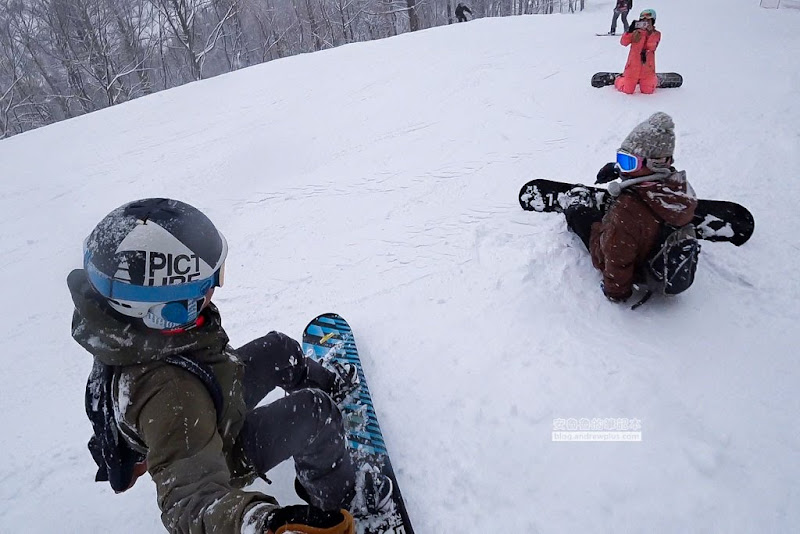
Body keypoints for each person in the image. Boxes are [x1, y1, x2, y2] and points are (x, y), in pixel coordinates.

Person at [68, 198, 389, 534]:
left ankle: (330, 383)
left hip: (217, 398)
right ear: (170, 308)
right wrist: (260, 522)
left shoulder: (129, 329)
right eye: (207, 284)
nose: (216, 287)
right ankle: (343, 499)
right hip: (218, 447)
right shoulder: (172, 394)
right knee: (315, 412)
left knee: (279, 349)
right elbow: (190, 501)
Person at [561, 112, 698, 302]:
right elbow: (644, 171)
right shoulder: (681, 187)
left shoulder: (627, 212)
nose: (623, 167)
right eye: (622, 159)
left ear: (655, 164)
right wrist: (619, 169)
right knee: (627, 228)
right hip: (653, 247)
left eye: (629, 162)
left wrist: (616, 293)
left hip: (636, 265)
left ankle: (576, 204)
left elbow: (617, 262)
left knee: (583, 219)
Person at [614, 9, 660, 94]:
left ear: (652, 21)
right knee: (627, 90)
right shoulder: (635, 33)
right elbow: (623, 42)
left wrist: (650, 33)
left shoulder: (656, 34)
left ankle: (655, 80)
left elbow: (651, 47)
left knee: (648, 91)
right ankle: (619, 79)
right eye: (643, 20)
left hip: (648, 69)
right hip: (632, 68)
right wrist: (629, 32)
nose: (645, 22)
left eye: (648, 20)